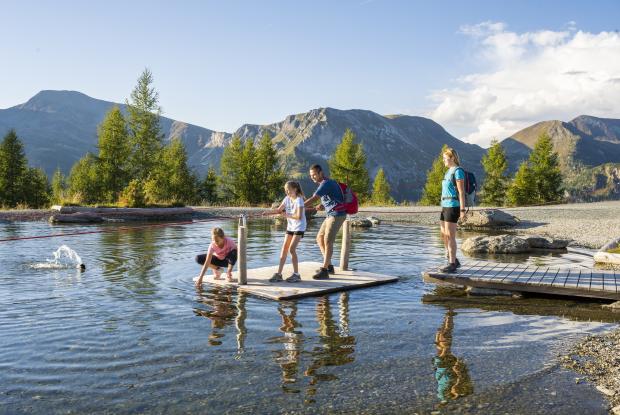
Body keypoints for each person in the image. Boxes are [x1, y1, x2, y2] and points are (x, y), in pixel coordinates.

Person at [304, 164, 346, 280]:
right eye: (311, 175)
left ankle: (324, 271)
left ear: (321, 173)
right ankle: (329, 266)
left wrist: (299, 206)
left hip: (337, 215)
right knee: (319, 238)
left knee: (328, 240)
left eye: (314, 175)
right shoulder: (326, 183)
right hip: (330, 214)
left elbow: (314, 198)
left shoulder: (325, 183)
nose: (312, 177)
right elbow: (332, 197)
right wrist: (322, 205)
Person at [264, 181, 307, 283]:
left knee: (292, 249)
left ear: (295, 189)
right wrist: (268, 213)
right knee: (284, 249)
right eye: (285, 190)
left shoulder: (299, 200)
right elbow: (279, 210)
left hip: (299, 227)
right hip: (291, 227)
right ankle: (279, 274)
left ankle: (296, 275)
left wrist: (286, 215)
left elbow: (299, 216)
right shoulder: (287, 198)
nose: (287, 192)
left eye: (288, 190)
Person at [439, 147, 466, 273]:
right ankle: (452, 258)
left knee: (450, 236)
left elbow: (461, 192)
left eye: (445, 158)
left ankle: (452, 263)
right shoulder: (448, 171)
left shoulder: (458, 171)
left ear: (452, 158)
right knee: (444, 234)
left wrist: (462, 210)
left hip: (453, 206)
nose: (443, 160)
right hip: (445, 205)